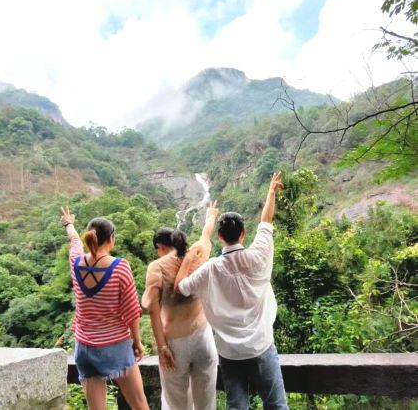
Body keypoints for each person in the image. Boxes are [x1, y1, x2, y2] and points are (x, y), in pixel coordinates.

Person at [175, 173, 288, 410]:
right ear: (243, 234)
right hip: (261, 345)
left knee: (236, 407)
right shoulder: (259, 255)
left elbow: (181, 287)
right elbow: (266, 222)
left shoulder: (210, 270)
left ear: (219, 237)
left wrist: (188, 258)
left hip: (229, 352)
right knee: (276, 405)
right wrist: (271, 192)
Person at [60, 206, 149, 410]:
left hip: (84, 347)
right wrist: (137, 342)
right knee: (139, 404)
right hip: (114, 346)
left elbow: (74, 241)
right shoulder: (120, 267)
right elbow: (132, 310)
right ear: (111, 239)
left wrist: (69, 223)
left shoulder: (76, 263)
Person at [142, 202, 219, 410]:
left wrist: (161, 347)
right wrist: (211, 215)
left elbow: (152, 310)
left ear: (161, 247)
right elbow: (206, 235)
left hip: (175, 344)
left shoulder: (156, 267)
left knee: (177, 403)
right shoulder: (197, 253)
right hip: (203, 337)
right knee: (206, 401)